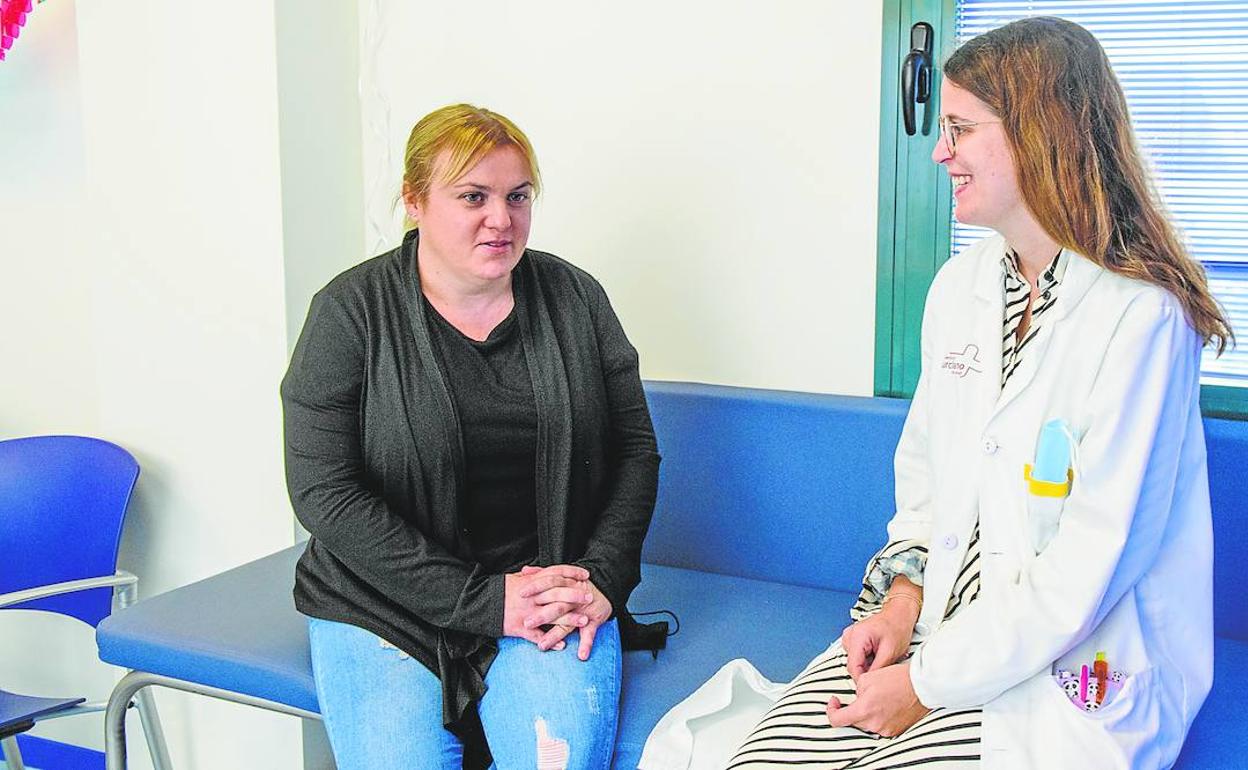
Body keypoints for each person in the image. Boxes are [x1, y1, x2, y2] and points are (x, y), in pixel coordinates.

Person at [641, 16, 1231, 770]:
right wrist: (902, 602)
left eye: (960, 128)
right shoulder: (962, 288)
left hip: (1072, 669)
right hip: (942, 628)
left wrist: (924, 685)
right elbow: (924, 483)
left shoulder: (1142, 318)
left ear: (1039, 134)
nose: (938, 151)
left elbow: (1089, 567)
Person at [281, 104, 662, 769]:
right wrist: (482, 600)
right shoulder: (350, 313)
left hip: (548, 594)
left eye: (518, 196)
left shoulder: (576, 299)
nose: (501, 219)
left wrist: (603, 577)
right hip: (383, 602)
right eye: (473, 197)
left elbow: (635, 452)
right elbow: (324, 491)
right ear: (414, 200)